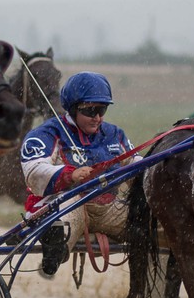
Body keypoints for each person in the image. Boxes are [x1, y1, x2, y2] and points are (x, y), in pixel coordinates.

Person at [20, 71, 142, 276]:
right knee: (64, 217)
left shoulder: (114, 134)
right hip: (67, 205)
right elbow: (33, 170)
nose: (97, 117)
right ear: (74, 109)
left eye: (102, 109)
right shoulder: (48, 133)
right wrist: (71, 175)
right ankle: (54, 247)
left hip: (108, 207)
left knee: (149, 222)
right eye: (91, 110)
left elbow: (136, 163)